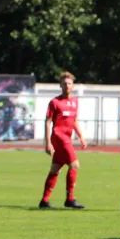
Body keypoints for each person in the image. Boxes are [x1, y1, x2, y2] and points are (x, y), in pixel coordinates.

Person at [39, 72, 87, 209]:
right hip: (59, 137)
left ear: (73, 86)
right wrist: (47, 142)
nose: (67, 85)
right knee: (75, 165)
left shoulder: (75, 102)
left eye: (69, 83)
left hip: (67, 138)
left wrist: (81, 136)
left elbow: (74, 121)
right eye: (64, 83)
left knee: (55, 168)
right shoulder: (55, 102)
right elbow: (48, 122)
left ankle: (44, 201)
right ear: (60, 85)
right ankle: (70, 199)